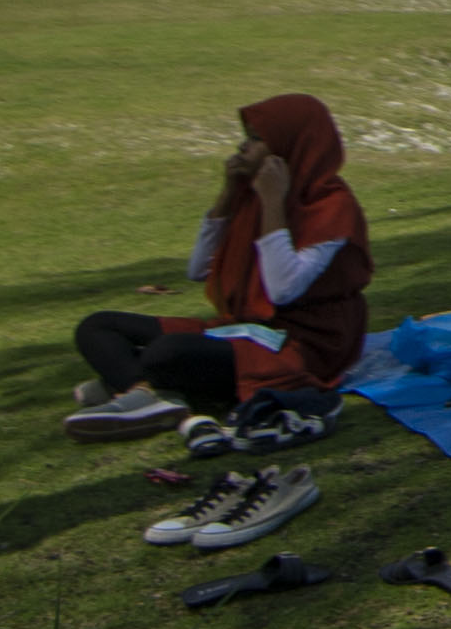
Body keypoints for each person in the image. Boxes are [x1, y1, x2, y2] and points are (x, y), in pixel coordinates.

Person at [66, 93, 374, 448]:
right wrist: (228, 195)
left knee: (167, 352)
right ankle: (145, 393)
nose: (243, 147)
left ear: (289, 146)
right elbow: (198, 270)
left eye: (257, 139)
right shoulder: (250, 193)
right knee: (97, 326)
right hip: (246, 327)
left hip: (303, 343)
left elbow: (283, 289)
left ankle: (137, 383)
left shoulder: (330, 205)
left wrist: (273, 202)